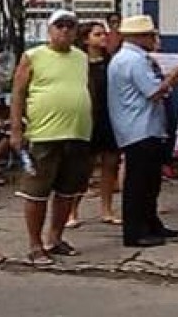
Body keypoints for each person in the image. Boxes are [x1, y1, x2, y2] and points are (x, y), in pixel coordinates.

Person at [10, 9, 94, 266]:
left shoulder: (81, 57)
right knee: (37, 192)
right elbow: (18, 93)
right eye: (60, 26)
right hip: (44, 134)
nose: (65, 30)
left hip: (77, 132)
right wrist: (16, 129)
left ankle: (55, 238)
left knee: (68, 191)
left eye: (70, 26)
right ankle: (35, 244)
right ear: (50, 30)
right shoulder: (33, 56)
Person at [108, 15, 178, 248]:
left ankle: (151, 222)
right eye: (150, 35)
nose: (154, 39)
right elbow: (153, 91)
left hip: (145, 126)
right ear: (139, 37)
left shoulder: (135, 58)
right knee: (139, 183)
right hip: (138, 127)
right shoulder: (133, 61)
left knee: (151, 181)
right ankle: (135, 231)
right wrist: (174, 77)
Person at [67, 22, 121, 228]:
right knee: (83, 168)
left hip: (109, 116)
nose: (103, 38)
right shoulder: (79, 63)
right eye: (97, 34)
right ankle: (72, 210)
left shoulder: (110, 62)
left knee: (110, 164)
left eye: (104, 34)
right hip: (87, 118)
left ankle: (107, 209)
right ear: (86, 39)